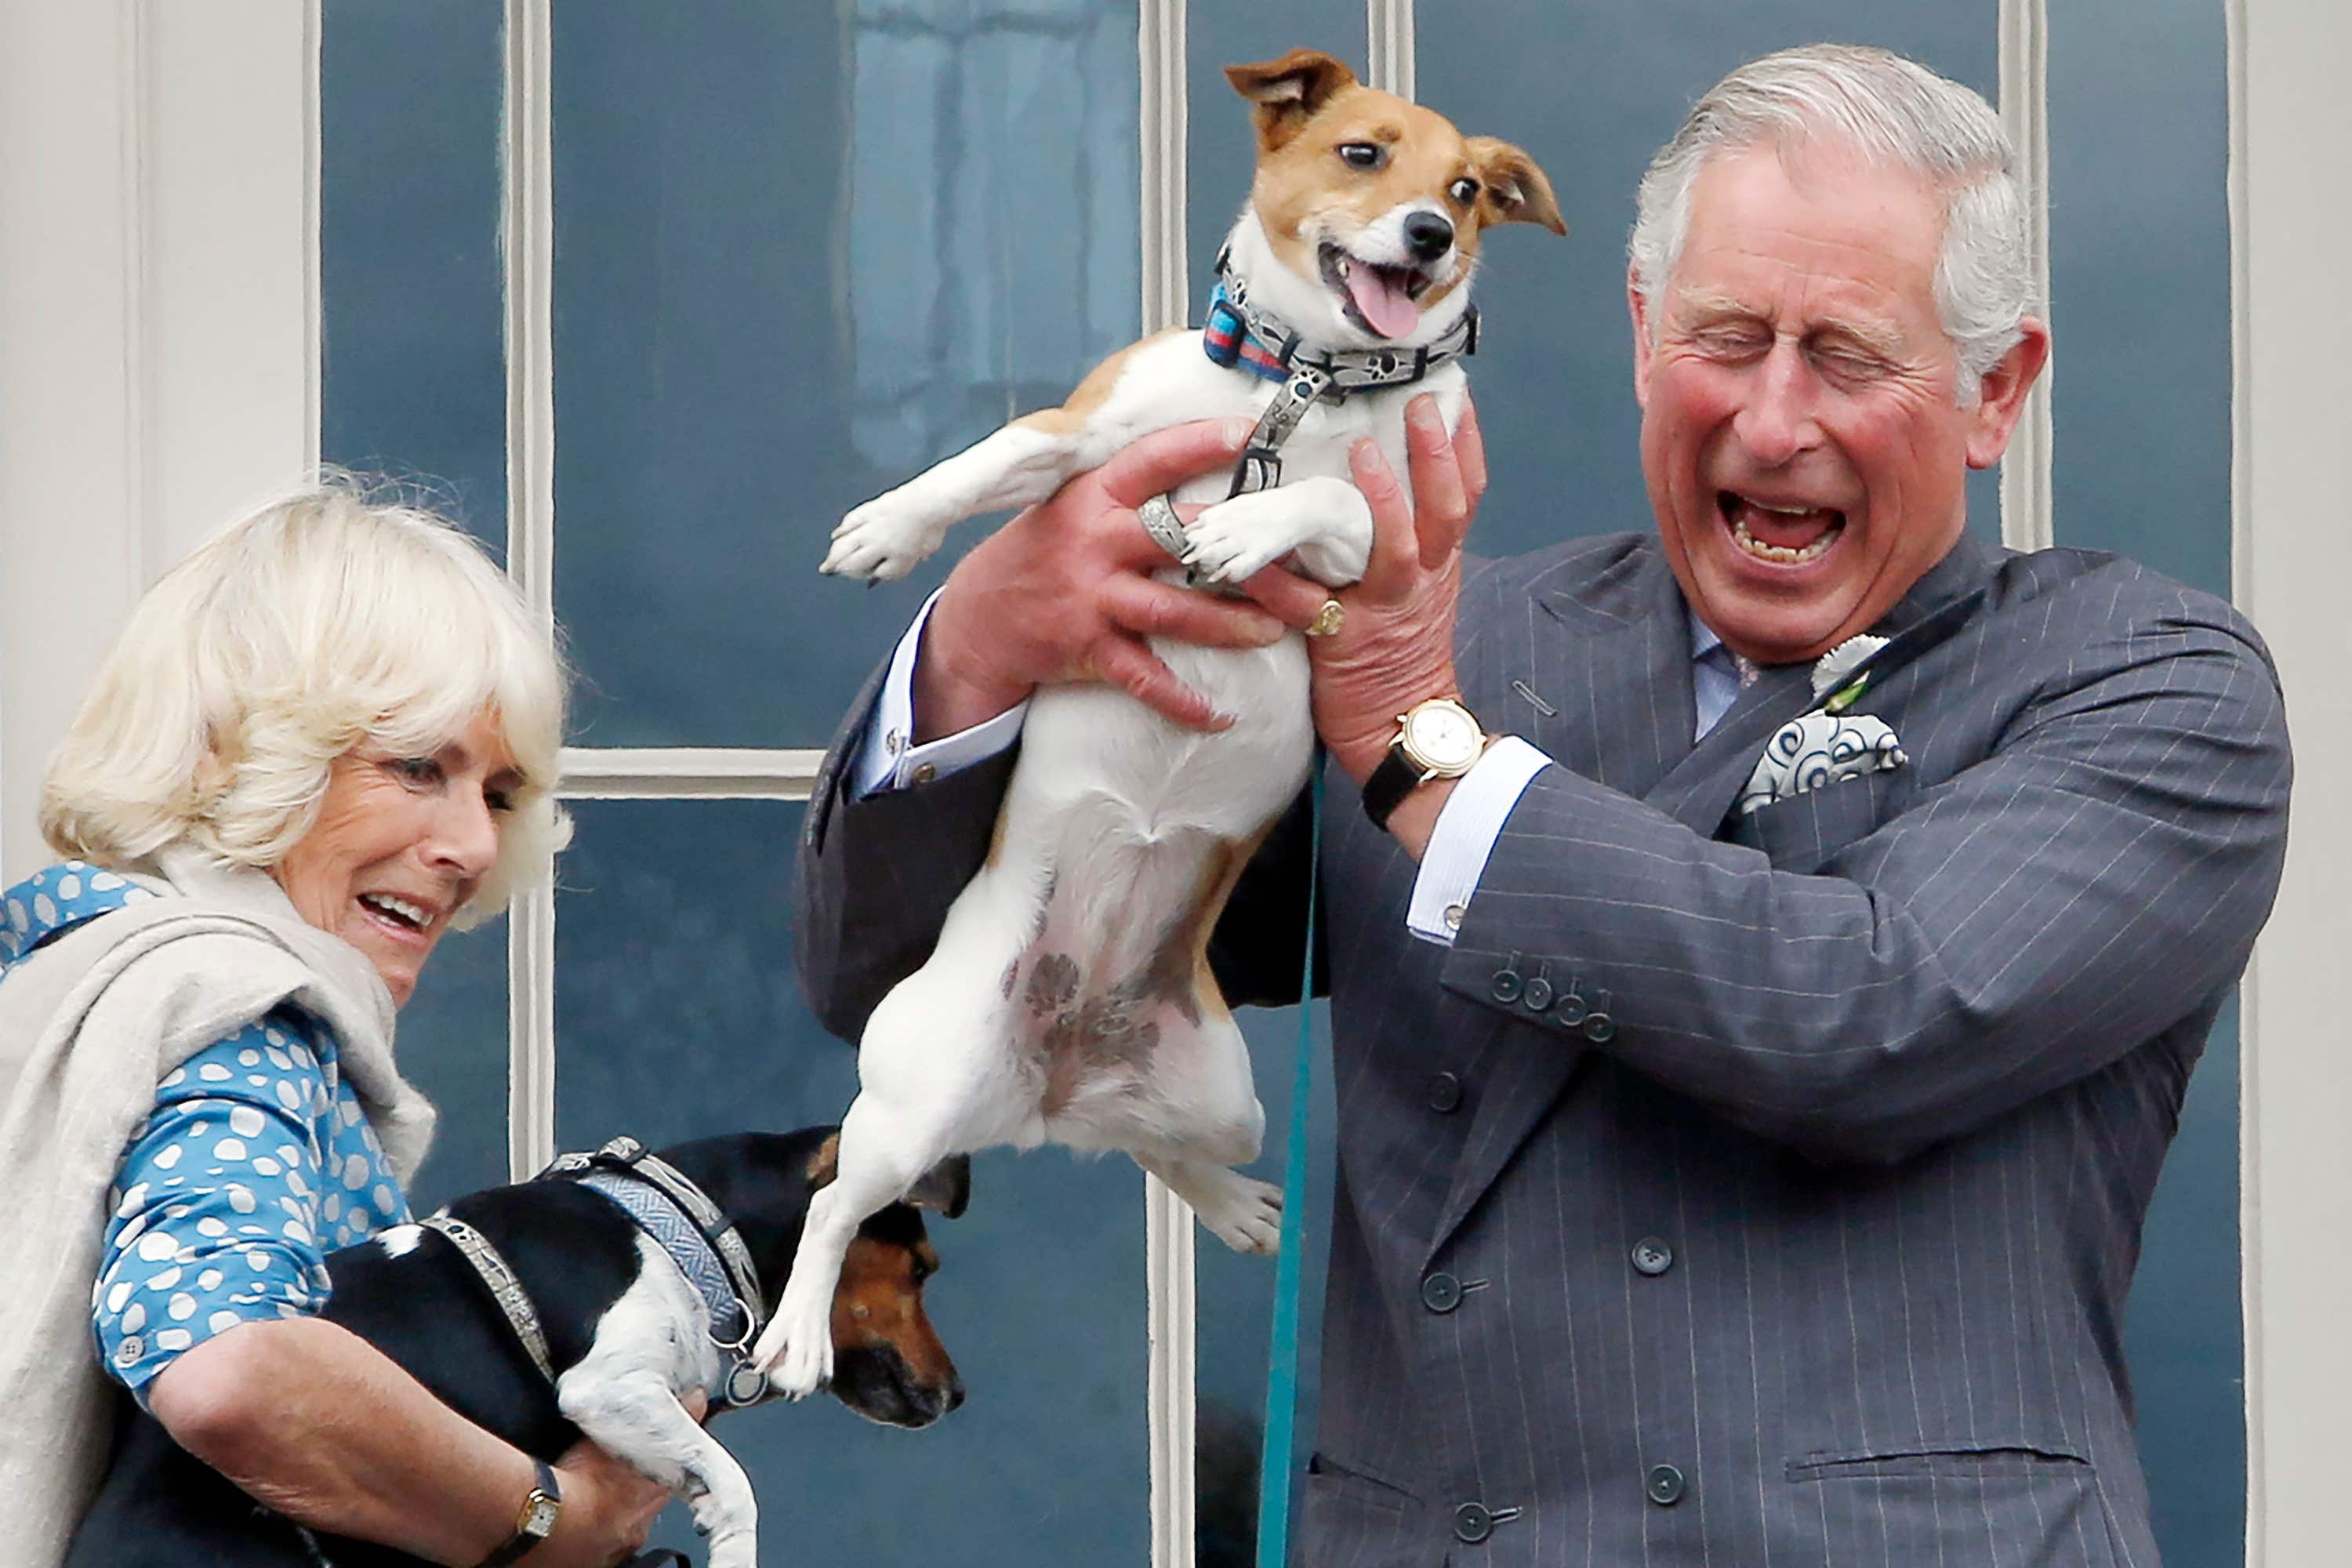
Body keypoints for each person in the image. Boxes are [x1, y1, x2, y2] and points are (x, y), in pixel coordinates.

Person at [796, 42, 2290, 1566]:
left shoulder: (2146, 683)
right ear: (1644, 335)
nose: (1776, 424)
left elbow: (1870, 1011)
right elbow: (902, 971)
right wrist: (985, 650)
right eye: (1727, 336)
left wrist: (1414, 744)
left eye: (1847, 354)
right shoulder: (1446, 633)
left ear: (1997, 389)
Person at [0, 483, 679, 1568]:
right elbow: (223, 1358)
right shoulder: (237, 1014)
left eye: (499, 796)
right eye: (417, 765)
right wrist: (547, 1519)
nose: (469, 846)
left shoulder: (55, 974)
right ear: (226, 749)